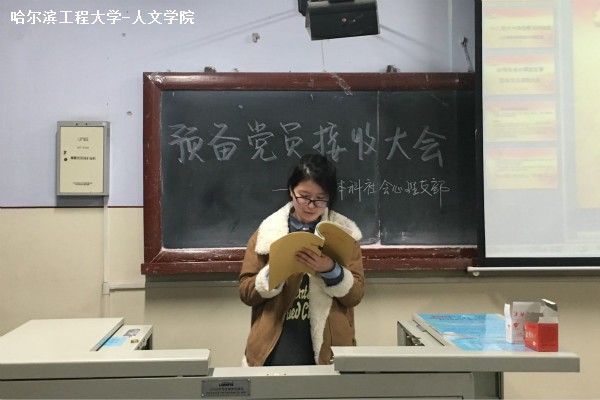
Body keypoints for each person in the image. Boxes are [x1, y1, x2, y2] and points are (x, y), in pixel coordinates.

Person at [239, 153, 364, 366]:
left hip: (329, 348)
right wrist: (273, 273)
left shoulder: (344, 235)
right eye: (304, 197)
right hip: (276, 345)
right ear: (291, 191)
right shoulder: (268, 233)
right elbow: (246, 292)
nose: (311, 205)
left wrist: (331, 270)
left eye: (320, 199)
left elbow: (355, 295)